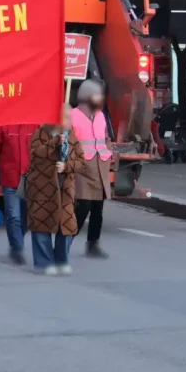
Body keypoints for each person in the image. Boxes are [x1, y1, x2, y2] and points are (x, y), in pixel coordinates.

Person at [26, 104, 85, 275]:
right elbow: (36, 155)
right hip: (42, 190)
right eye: (65, 117)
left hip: (65, 190)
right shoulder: (41, 133)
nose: (69, 121)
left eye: (70, 117)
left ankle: (61, 261)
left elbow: (81, 161)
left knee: (66, 226)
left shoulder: (71, 137)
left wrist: (66, 166)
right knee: (41, 225)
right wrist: (54, 142)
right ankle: (43, 263)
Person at [0, 123, 39, 265]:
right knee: (13, 216)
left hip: (30, 180)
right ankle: (17, 248)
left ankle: (16, 240)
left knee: (28, 217)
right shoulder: (3, 126)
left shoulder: (35, 125)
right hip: (10, 179)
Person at [71, 80, 113, 259]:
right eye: (96, 95)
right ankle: (65, 241)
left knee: (98, 209)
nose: (100, 98)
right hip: (82, 168)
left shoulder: (100, 115)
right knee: (82, 208)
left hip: (100, 167)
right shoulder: (72, 115)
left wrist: (109, 153)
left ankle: (93, 243)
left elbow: (105, 137)